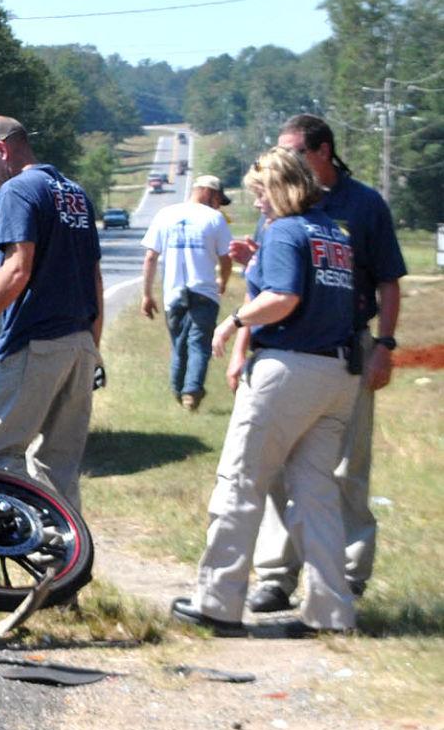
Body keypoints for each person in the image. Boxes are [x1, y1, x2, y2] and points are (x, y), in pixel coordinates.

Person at [171, 148, 359, 636]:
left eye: (259, 193)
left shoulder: (285, 231)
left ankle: (218, 600)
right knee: (316, 495)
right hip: (338, 375)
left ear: (277, 188)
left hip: (287, 370)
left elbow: (284, 297)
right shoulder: (333, 236)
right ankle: (331, 611)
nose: (257, 205)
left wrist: (234, 321)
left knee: (240, 482)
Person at [246, 113, 405, 612]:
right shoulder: (275, 204)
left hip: (347, 349)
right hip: (285, 349)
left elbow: (388, 280)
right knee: (273, 468)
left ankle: (346, 576)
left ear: (323, 151)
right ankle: (276, 576)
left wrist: (385, 344)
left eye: (293, 151)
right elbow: (274, 276)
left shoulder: (363, 205)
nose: (285, 160)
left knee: (343, 468)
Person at [0, 116, 102, 512]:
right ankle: (62, 559)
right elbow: (93, 277)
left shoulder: (17, 190)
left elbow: (17, 268)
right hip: (79, 344)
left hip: (36, 341)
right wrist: (94, 348)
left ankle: (10, 543)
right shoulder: (74, 194)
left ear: (1, 150)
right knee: (58, 466)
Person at [139, 173, 234, 410]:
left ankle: (178, 390)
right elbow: (226, 257)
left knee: (179, 345)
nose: (218, 204)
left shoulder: (166, 215)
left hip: (174, 293)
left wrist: (147, 294)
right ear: (209, 192)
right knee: (199, 344)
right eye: (218, 199)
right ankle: (191, 391)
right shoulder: (215, 219)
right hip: (205, 291)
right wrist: (222, 279)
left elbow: (151, 257)